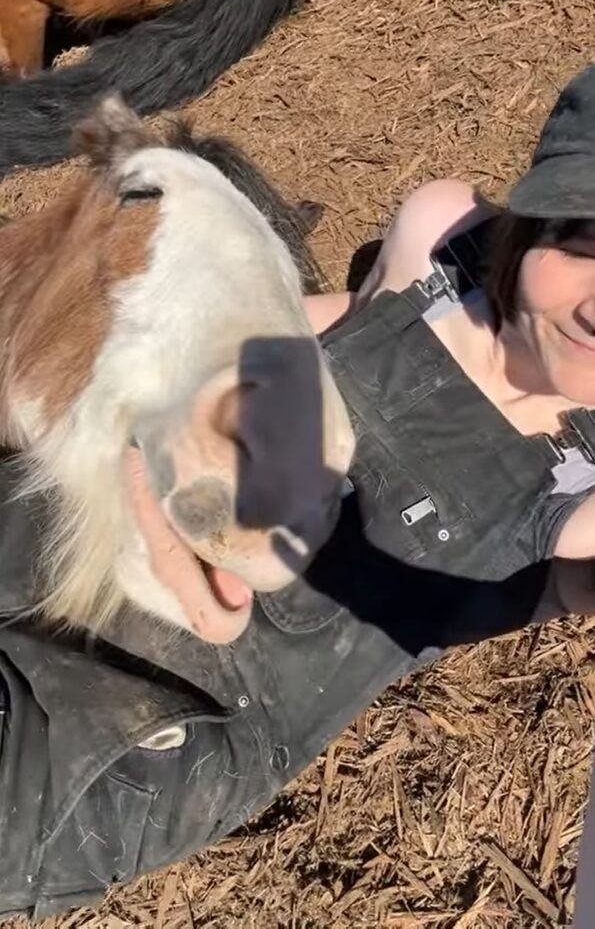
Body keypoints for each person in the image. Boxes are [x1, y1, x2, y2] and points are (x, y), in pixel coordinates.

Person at [2, 63, 595, 921]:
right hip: (72, 524)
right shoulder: (443, 241)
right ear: (533, 221)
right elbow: (314, 332)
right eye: (585, 240)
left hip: (145, 725)